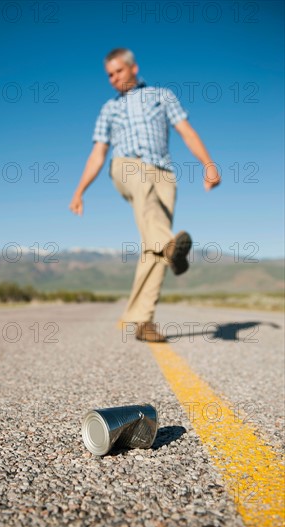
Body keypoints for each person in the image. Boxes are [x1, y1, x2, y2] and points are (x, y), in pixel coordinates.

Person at [69, 48, 221, 342]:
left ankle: (142, 321)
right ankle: (169, 246)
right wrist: (79, 192)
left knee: (153, 247)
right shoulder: (108, 109)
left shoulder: (162, 96)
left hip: (163, 173)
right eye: (109, 75)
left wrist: (209, 165)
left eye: (118, 72)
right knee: (159, 229)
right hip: (126, 167)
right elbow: (97, 154)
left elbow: (186, 131)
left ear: (133, 68)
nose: (113, 79)